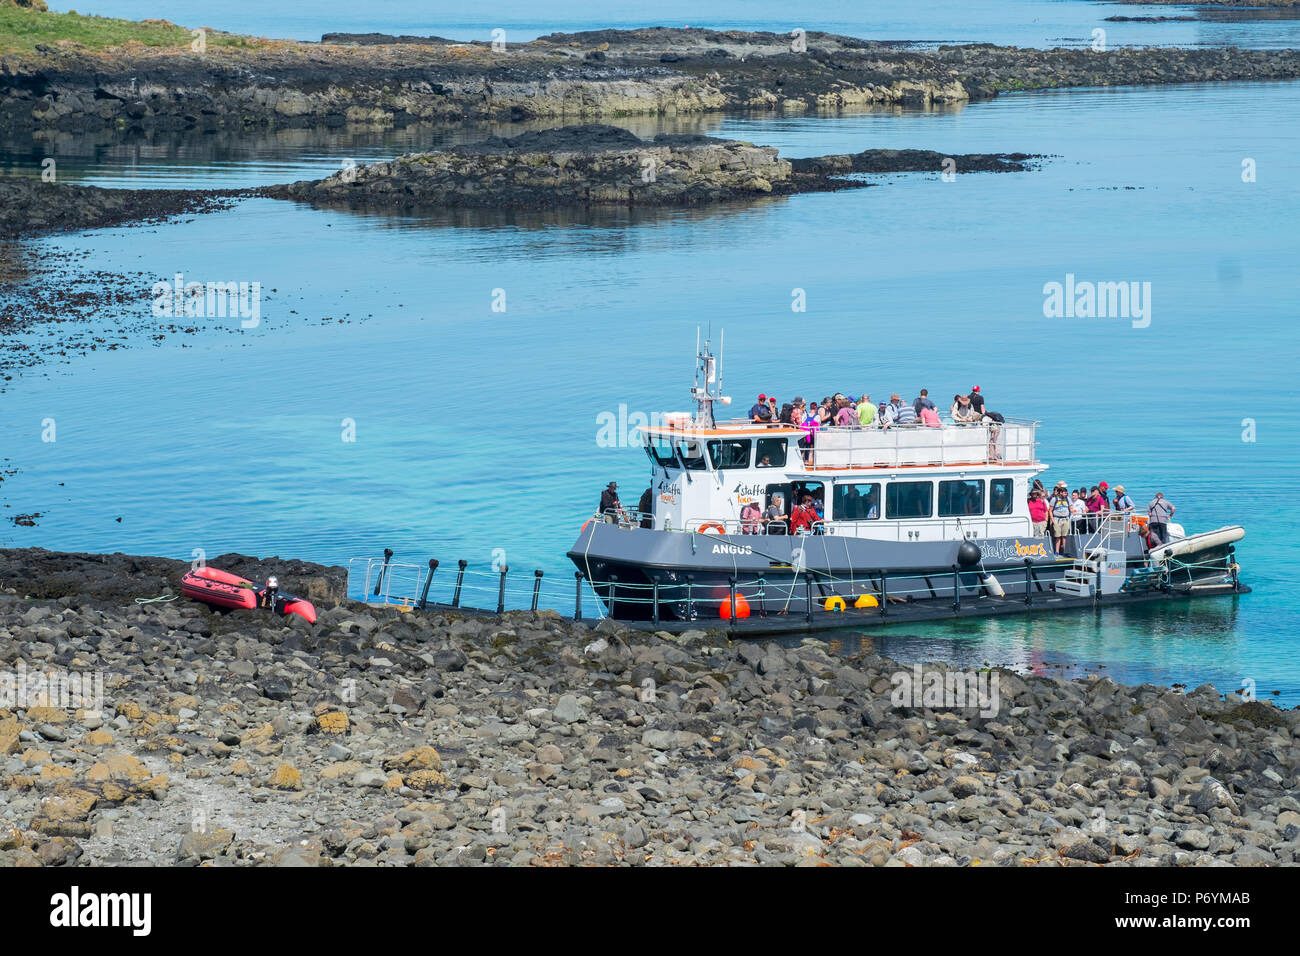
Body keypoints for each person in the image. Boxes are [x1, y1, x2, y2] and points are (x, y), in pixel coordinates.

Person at [1048, 481, 1072, 553]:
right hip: (1057, 519)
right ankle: (1057, 551)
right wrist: (1053, 519)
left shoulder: (1067, 499)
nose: (1066, 494)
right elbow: (1050, 510)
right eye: (1064, 493)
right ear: (1060, 492)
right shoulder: (1054, 499)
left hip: (1065, 519)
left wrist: (1073, 511)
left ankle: (1065, 551)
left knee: (1064, 536)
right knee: (1057, 537)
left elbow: (1071, 507)